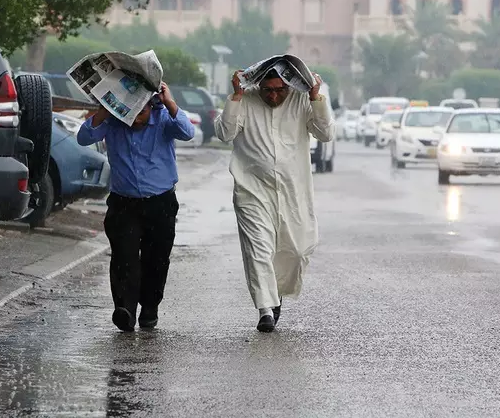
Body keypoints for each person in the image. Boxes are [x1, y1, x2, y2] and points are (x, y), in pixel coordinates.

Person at [214, 67, 334, 332]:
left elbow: (325, 134)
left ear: (290, 87)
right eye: (268, 90)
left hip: (293, 191)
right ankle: (265, 309)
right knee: (259, 249)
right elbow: (225, 133)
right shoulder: (245, 99)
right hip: (252, 190)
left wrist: (315, 96)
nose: (274, 95)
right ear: (259, 86)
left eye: (280, 90)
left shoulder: (302, 100)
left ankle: (275, 292)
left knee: (298, 249)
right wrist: (235, 95)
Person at [77, 82, 195, 332]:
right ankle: (125, 310)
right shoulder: (112, 121)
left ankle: (150, 307)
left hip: (160, 203)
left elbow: (187, 132)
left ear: (151, 106)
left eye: (140, 113)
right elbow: (84, 137)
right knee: (124, 257)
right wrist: (104, 110)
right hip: (123, 204)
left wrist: (171, 102)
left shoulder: (163, 117)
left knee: (157, 259)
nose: (134, 119)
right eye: (129, 113)